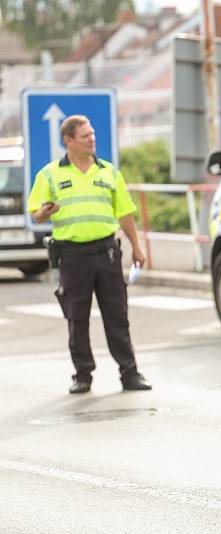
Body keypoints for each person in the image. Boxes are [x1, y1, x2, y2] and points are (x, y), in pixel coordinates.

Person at [27, 115, 152, 394]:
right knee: (76, 317)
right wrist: (43, 213)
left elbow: (125, 213)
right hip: (72, 256)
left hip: (107, 253)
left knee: (117, 316)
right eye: (85, 136)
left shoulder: (108, 172)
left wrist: (137, 246)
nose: (92, 139)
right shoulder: (50, 174)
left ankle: (130, 373)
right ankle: (83, 375)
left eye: (92, 134)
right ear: (68, 140)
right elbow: (35, 214)